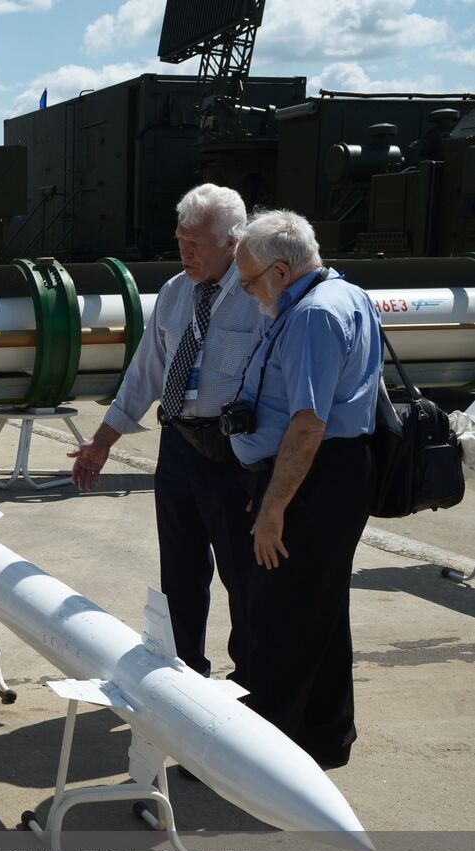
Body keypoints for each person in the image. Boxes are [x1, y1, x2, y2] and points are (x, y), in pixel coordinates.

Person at [69, 183, 265, 682]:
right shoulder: (176, 293)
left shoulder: (260, 298)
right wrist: (101, 443)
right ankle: (183, 677)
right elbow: (145, 374)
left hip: (234, 454)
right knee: (179, 571)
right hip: (178, 446)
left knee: (244, 575)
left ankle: (253, 684)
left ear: (233, 241)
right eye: (180, 240)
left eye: (196, 243)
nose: (185, 252)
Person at [230, 209, 381, 769]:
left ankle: (262, 760)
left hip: (314, 476)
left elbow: (308, 424)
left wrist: (273, 508)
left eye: (248, 281)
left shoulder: (315, 314)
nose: (248, 293)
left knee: (279, 616)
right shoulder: (345, 293)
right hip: (327, 473)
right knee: (320, 611)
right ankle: (324, 736)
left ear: (279, 272)